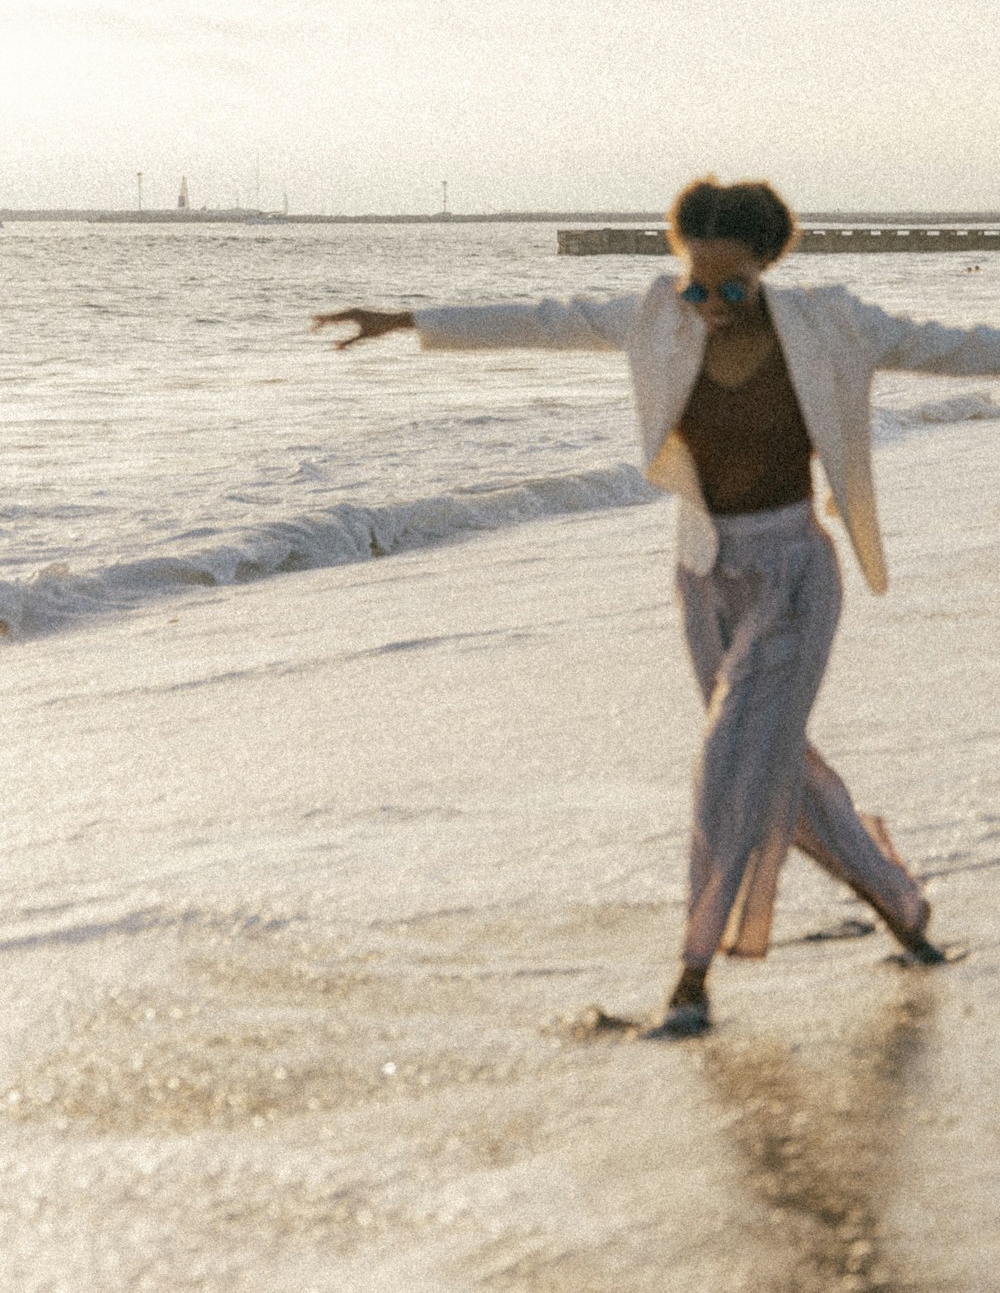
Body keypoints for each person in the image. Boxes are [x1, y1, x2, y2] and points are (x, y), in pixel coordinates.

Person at [312, 177, 1000, 1038]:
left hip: (793, 574)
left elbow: (960, 345)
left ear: (767, 266)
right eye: (695, 285)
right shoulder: (655, 316)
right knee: (776, 767)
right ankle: (904, 911)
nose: (710, 305)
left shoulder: (830, 323)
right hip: (703, 574)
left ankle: (692, 979)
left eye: (731, 287)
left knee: (728, 762)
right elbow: (545, 320)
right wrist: (407, 321)